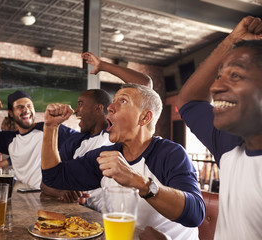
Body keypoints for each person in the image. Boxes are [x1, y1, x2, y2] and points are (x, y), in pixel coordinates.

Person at [41, 83, 205, 239]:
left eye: (123, 101)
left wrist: (140, 182)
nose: (110, 108)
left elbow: (195, 214)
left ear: (144, 117)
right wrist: (50, 127)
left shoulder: (171, 154)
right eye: (112, 102)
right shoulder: (105, 155)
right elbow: (53, 177)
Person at [176, 16, 262, 240]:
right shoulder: (231, 146)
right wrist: (233, 40)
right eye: (219, 75)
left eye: (235, 75)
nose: (215, 86)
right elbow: (190, 102)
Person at [41, 52, 153, 205]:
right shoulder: (75, 142)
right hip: (86, 217)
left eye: (81, 104)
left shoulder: (118, 137)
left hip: (116, 216)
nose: (75, 110)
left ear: (99, 108)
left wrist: (103, 66)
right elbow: (48, 180)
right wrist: (63, 190)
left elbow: (145, 86)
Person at [0, 90, 77, 189]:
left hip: (51, 197)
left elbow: (82, 143)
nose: (26, 110)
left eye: (29, 106)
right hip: (24, 197)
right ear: (11, 113)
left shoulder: (51, 128)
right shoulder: (10, 139)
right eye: (20, 107)